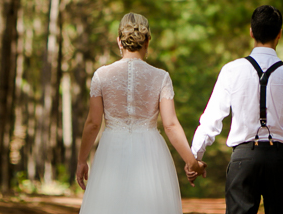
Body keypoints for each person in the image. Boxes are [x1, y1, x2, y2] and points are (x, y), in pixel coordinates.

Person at [189, 5, 283, 213]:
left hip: (243, 159)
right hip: (279, 161)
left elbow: (211, 120)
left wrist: (195, 157)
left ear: (251, 32)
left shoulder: (231, 70)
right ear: (279, 34)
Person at [76, 13, 206, 214]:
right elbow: (170, 125)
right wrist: (192, 162)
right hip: (150, 153)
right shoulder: (161, 77)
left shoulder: (101, 76)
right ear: (147, 41)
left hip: (111, 151)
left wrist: (81, 160)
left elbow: (93, 123)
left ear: (119, 41)